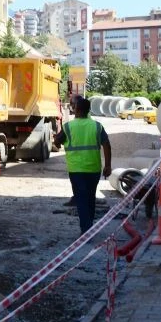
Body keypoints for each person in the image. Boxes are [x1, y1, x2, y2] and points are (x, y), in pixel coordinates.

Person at [53, 96, 112, 235]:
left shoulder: (68, 127)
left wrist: (57, 140)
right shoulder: (97, 126)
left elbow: (57, 143)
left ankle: (86, 229)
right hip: (94, 169)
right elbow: (107, 145)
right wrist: (108, 166)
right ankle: (89, 225)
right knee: (90, 197)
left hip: (76, 170)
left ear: (77, 110)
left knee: (81, 198)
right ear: (88, 111)